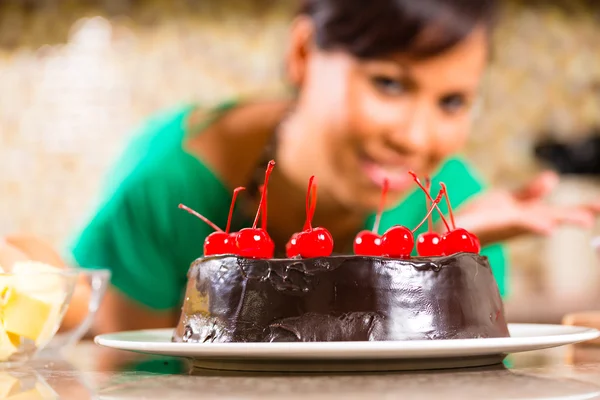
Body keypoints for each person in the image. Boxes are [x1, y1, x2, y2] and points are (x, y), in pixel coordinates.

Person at [4, 0, 599, 335]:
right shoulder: (172, 180)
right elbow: (118, 355)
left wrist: (438, 255)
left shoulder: (458, 213)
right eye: (388, 83)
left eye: (452, 101)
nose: (416, 137)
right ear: (302, 54)